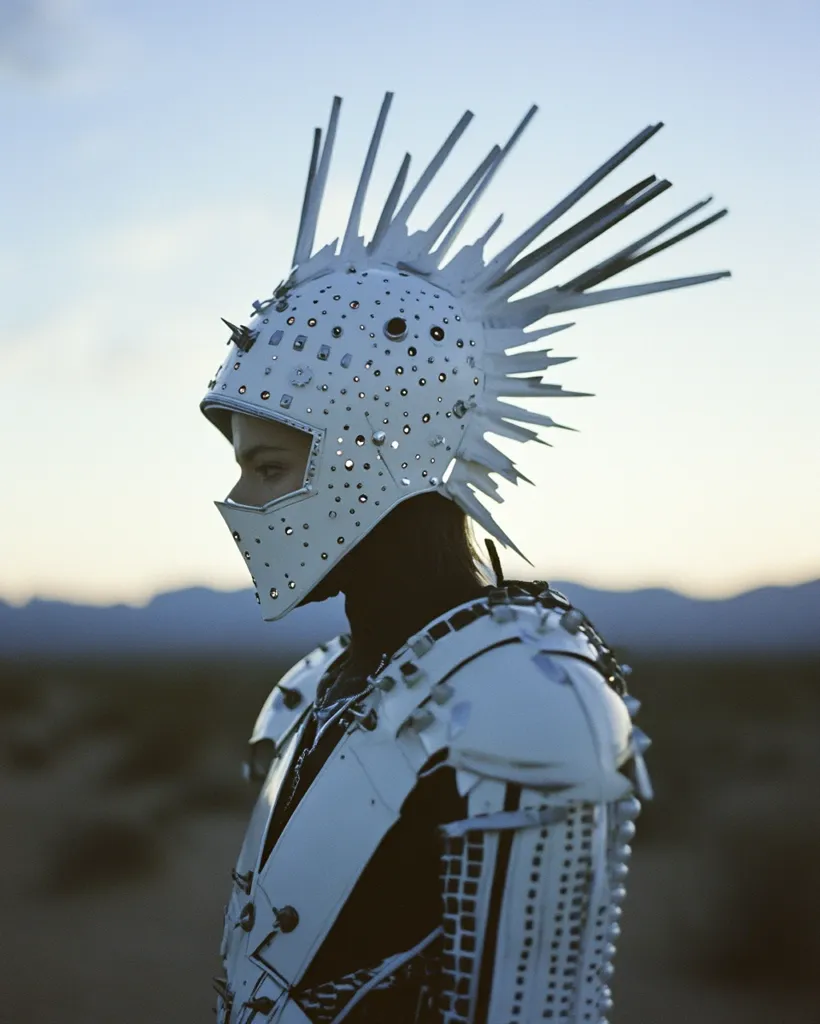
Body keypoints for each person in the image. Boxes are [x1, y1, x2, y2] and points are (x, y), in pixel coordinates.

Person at [201, 93, 728, 1023]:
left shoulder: (528, 707)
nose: (240, 501)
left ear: (379, 450)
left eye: (270, 467)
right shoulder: (311, 687)